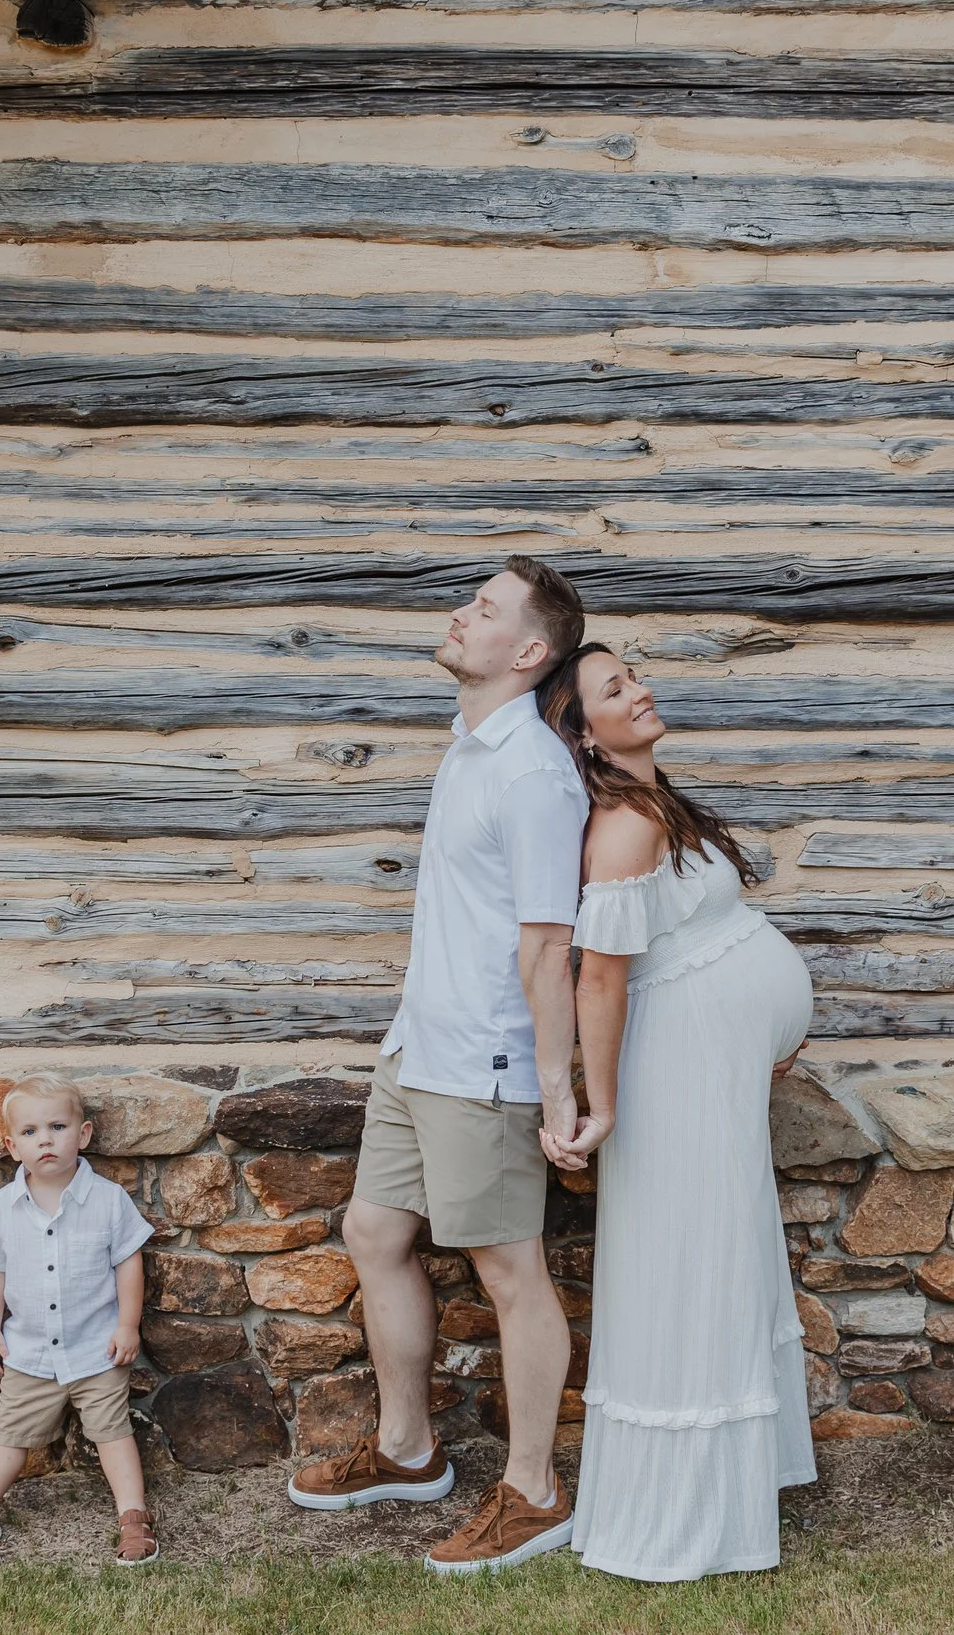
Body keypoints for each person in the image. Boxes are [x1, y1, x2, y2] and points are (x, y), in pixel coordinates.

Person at [288, 555, 593, 1576]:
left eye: (485, 609)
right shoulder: (468, 748)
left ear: (530, 650)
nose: (459, 616)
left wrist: (554, 1093)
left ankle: (535, 1492)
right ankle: (410, 1452)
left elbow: (549, 945)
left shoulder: (534, 774)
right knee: (375, 1230)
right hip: (419, 1047)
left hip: (487, 1063)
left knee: (510, 1273)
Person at [537, 642, 816, 1582]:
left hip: (715, 1058)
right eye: (615, 689)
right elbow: (601, 976)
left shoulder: (655, 802)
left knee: (726, 1249)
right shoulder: (619, 826)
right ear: (580, 731)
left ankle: (741, 1476)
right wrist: (600, 1103)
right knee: (691, 1259)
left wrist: (761, 1019)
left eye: (634, 676)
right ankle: (685, 1510)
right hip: (676, 1067)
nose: (640, 691)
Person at [0, 1076, 160, 1566]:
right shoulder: (2, 1209)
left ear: (84, 1134)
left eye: (57, 1126)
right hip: (29, 1352)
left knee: (112, 1432)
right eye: (30, 1131)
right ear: (12, 1146)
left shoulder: (108, 1200)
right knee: (9, 1437)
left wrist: (127, 1325)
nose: (45, 1139)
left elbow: (128, 1264)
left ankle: (134, 1517)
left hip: (98, 1349)